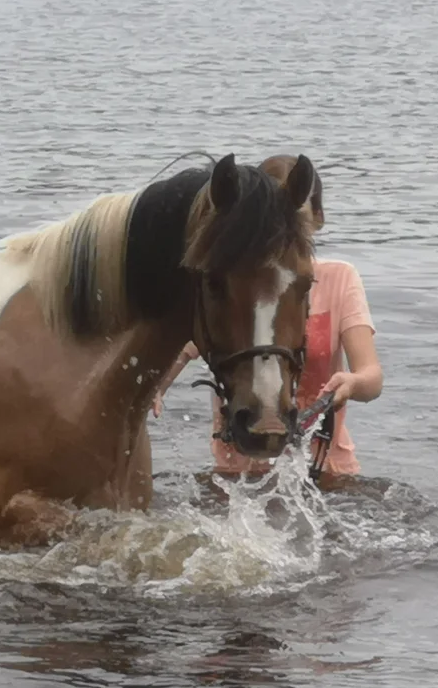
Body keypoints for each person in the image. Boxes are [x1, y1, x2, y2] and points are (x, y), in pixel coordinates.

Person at [152, 156, 383, 481]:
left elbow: (371, 376)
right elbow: (187, 347)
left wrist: (353, 383)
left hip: (325, 470)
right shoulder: (235, 286)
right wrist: (155, 386)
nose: (280, 234)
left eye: (294, 221)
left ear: (318, 218)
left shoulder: (341, 279)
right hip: (235, 475)